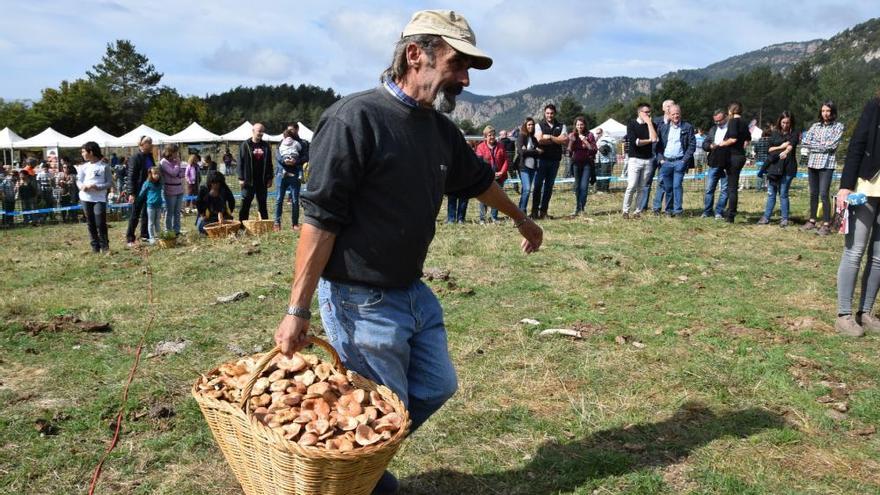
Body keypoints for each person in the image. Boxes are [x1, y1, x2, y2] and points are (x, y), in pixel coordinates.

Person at [273, 11, 542, 494]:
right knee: (385, 403)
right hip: (360, 298)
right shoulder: (354, 118)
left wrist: (521, 218)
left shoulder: (438, 131)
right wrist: (298, 309)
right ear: (415, 54)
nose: (464, 78)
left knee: (437, 386)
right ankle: (354, 477)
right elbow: (320, 219)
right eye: (458, 62)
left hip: (413, 290)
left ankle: (357, 461)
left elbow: (478, 182)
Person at [834, 93, 880, 337]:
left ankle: (866, 312)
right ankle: (844, 315)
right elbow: (857, 145)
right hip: (865, 189)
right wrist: (846, 185)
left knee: (879, 257)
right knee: (855, 251)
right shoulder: (875, 105)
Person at [802, 101, 845, 235]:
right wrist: (820, 145)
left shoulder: (838, 126)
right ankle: (812, 220)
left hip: (827, 164)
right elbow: (806, 141)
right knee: (813, 193)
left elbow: (831, 145)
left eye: (828, 111)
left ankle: (826, 224)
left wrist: (816, 145)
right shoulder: (815, 126)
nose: (825, 113)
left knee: (824, 193)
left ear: (832, 112)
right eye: (823, 111)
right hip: (812, 163)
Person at [758, 112, 800, 227]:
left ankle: (784, 218)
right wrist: (782, 147)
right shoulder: (775, 134)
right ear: (779, 122)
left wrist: (786, 151)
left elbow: (791, 145)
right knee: (771, 194)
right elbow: (770, 149)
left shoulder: (794, 133)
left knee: (783, 194)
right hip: (774, 169)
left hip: (788, 168)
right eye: (783, 122)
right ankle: (766, 217)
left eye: (787, 123)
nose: (785, 125)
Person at [655, 104, 696, 217]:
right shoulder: (663, 127)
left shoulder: (687, 127)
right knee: (667, 187)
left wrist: (684, 160)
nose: (675, 116)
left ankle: (678, 211)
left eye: (677, 113)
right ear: (669, 115)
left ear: (680, 113)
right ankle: (668, 210)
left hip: (679, 161)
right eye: (673, 114)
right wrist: (661, 159)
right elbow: (657, 146)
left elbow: (692, 145)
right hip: (666, 162)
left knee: (677, 186)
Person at [532, 103, 568, 219]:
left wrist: (551, 137)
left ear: (555, 113)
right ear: (544, 113)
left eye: (551, 113)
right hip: (541, 160)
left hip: (555, 161)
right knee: (537, 186)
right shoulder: (538, 125)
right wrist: (557, 140)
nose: (549, 115)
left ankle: (544, 212)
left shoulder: (562, 126)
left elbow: (564, 140)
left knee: (548, 187)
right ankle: (534, 212)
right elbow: (540, 140)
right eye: (547, 113)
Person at [622, 103, 658, 218]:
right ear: (639, 112)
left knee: (642, 187)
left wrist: (649, 123)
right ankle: (625, 210)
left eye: (649, 112)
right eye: (645, 112)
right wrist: (649, 140)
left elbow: (655, 138)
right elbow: (635, 142)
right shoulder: (631, 124)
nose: (648, 114)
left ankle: (637, 211)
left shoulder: (652, 125)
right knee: (631, 186)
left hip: (648, 160)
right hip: (634, 159)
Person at [76, 142, 112, 253]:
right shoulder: (83, 167)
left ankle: (105, 246)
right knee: (90, 223)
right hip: (85, 198)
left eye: (83, 151)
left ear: (91, 152)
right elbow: (79, 180)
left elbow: (109, 183)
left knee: (100, 223)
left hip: (99, 199)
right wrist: (82, 187)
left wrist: (97, 187)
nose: (82, 154)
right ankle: (95, 247)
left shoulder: (104, 166)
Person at [274, 123, 309, 231]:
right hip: (281, 174)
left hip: (295, 174)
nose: (290, 132)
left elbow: (306, 156)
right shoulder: (282, 141)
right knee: (279, 199)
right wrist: (284, 161)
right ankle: (277, 223)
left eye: (292, 130)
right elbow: (277, 154)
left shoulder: (303, 143)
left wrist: (296, 161)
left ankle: (295, 223)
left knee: (295, 200)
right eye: (288, 130)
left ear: (297, 130)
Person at [719, 102, 750, 223]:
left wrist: (721, 144)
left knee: (732, 187)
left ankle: (731, 214)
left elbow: (733, 138)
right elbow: (747, 139)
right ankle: (730, 210)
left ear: (731, 111)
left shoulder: (733, 122)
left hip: (733, 157)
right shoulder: (744, 122)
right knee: (733, 185)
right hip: (741, 155)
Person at [238, 123, 273, 222]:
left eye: (263, 131)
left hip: (262, 181)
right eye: (259, 131)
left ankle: (265, 225)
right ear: (253, 131)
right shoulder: (245, 145)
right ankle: (241, 225)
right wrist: (241, 178)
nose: (261, 133)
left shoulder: (266, 146)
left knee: (262, 204)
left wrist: (270, 178)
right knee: (245, 204)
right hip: (248, 181)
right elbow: (240, 162)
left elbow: (270, 163)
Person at [645, 99, 675, 213]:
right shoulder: (655, 121)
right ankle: (642, 207)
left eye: (671, 106)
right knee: (646, 182)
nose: (669, 108)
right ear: (663, 108)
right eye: (667, 106)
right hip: (652, 154)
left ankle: (656, 208)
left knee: (662, 182)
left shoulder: (675, 123)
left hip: (665, 157)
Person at [475, 125, 509, 222]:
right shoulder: (480, 147)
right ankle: (482, 218)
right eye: (489, 135)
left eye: (493, 135)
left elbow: (506, 160)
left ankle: (494, 217)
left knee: (497, 197)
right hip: (485, 176)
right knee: (483, 198)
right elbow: (480, 163)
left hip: (499, 177)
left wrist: (502, 172)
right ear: (485, 137)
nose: (492, 137)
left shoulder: (501, 146)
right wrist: (489, 174)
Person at [125, 136, 154, 246]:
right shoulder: (135, 157)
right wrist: (131, 193)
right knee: (135, 215)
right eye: (148, 142)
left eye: (151, 142)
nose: (151, 144)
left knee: (147, 213)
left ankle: (144, 235)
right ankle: (130, 238)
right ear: (141, 144)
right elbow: (131, 176)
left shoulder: (150, 157)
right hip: (138, 190)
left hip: (149, 189)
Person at [702, 109, 730, 219]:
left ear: (726, 117)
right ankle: (707, 211)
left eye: (720, 120)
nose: (718, 123)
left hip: (728, 164)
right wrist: (710, 146)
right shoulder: (713, 129)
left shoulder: (731, 129)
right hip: (714, 163)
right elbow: (705, 144)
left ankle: (719, 211)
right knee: (709, 189)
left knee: (725, 190)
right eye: (716, 121)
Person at [567, 116, 597, 215]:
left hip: (587, 164)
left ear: (584, 125)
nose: (580, 126)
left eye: (581, 124)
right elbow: (569, 152)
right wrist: (571, 141)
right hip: (576, 164)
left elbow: (594, 150)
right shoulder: (572, 135)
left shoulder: (590, 135)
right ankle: (578, 207)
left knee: (584, 187)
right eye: (578, 124)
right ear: (575, 125)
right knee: (577, 187)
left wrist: (586, 141)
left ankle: (581, 208)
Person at [515, 117, 542, 213]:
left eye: (532, 124)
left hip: (533, 167)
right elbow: (521, 152)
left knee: (526, 190)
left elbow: (541, 151)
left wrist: (528, 150)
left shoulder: (533, 138)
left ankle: (520, 209)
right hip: (523, 167)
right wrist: (535, 151)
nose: (531, 126)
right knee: (527, 189)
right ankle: (522, 211)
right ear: (525, 126)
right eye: (529, 124)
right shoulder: (521, 136)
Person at [159, 143, 185, 236]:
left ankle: (176, 231)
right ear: (170, 152)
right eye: (175, 152)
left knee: (177, 212)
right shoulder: (163, 162)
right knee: (170, 212)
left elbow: (182, 174)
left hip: (179, 189)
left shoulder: (174, 161)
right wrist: (177, 165)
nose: (177, 155)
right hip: (170, 190)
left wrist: (177, 169)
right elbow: (173, 173)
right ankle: (168, 231)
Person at [137, 167, 164, 245]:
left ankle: (159, 236)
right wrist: (137, 200)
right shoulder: (147, 183)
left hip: (159, 205)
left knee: (157, 222)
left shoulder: (160, 183)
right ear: (150, 175)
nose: (157, 175)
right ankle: (152, 237)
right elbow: (142, 193)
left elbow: (163, 192)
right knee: (151, 222)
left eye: (158, 174)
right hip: (151, 206)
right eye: (155, 174)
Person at [595, 128, 615, 193]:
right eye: (596, 133)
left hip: (605, 160)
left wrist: (599, 148)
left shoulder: (605, 139)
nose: (597, 134)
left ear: (602, 133)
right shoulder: (597, 139)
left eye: (599, 133)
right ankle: (600, 189)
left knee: (604, 175)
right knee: (600, 175)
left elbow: (606, 150)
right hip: (600, 160)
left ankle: (604, 189)